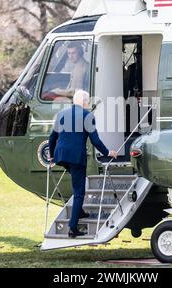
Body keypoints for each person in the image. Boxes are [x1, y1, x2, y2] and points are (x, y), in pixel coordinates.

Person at [48, 90, 118, 238]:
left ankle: (79, 211)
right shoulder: (88, 116)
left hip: (61, 156)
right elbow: (95, 141)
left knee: (76, 180)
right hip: (76, 158)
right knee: (79, 192)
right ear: (85, 102)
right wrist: (107, 152)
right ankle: (73, 228)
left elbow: (52, 137)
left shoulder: (61, 114)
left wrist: (52, 154)